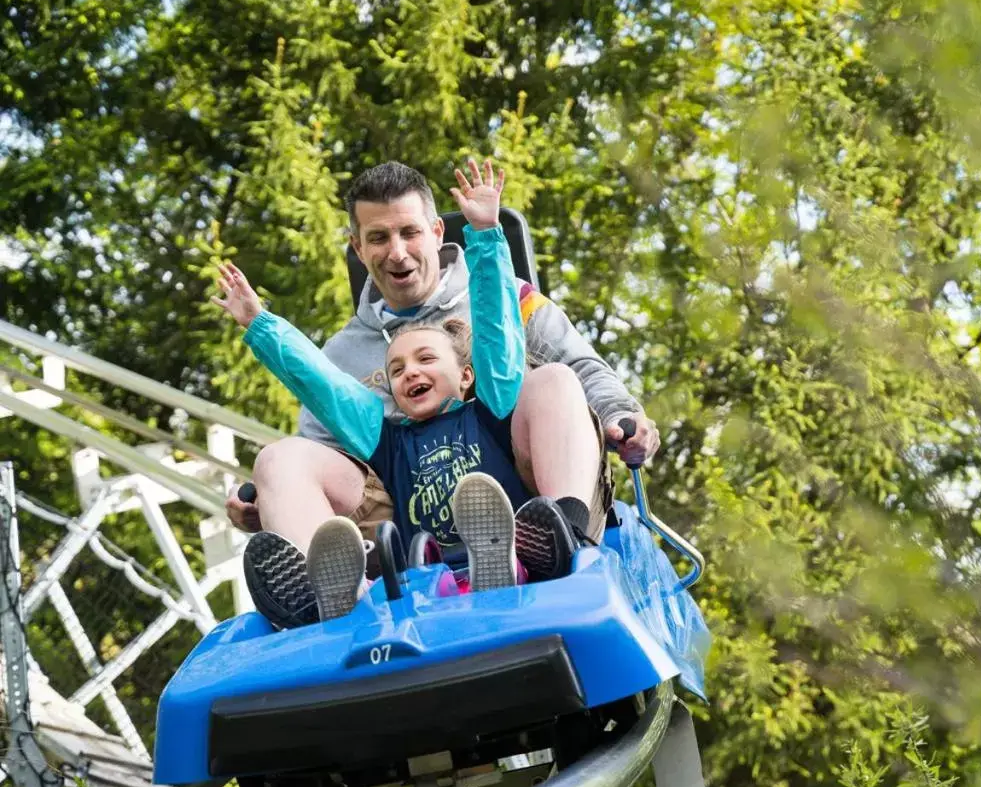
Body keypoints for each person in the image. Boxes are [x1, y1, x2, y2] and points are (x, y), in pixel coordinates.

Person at [223, 158, 659, 628]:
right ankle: (334, 596)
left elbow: (568, 364)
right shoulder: (343, 356)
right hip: (405, 518)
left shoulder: (509, 303)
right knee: (278, 458)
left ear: (434, 231)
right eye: (377, 237)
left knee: (551, 379)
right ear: (358, 246)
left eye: (408, 232)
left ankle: (557, 539)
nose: (396, 252)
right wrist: (268, 501)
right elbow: (323, 418)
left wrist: (621, 415)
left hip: (525, 484)